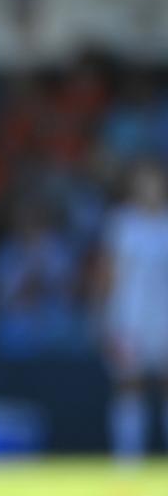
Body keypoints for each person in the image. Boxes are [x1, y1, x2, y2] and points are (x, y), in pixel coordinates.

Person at [97, 164, 168, 462]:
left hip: (163, 315)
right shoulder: (122, 223)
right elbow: (107, 273)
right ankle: (128, 459)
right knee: (129, 385)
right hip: (130, 317)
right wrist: (105, 318)